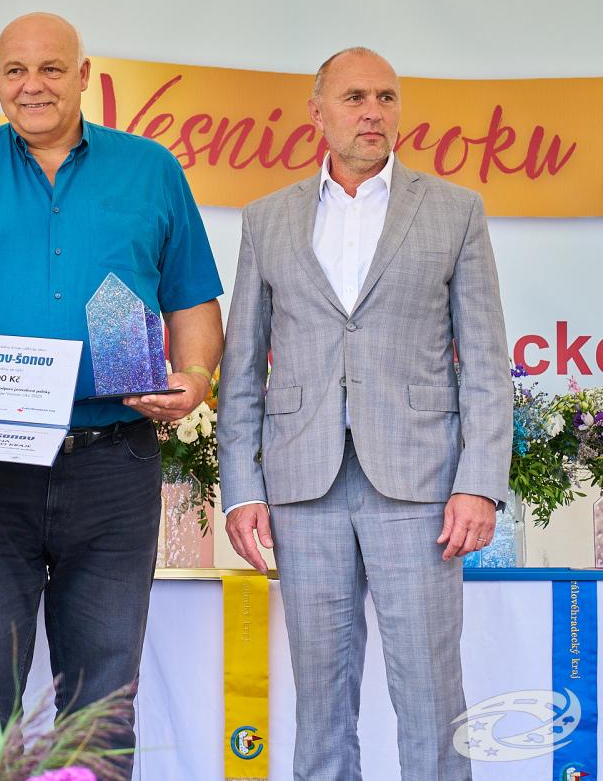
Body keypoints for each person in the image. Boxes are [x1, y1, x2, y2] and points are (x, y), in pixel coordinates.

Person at [0, 13, 223, 771]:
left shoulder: (151, 170)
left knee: (102, 703)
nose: (31, 85)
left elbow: (193, 301)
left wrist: (195, 378)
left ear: (84, 75)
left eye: (51, 68)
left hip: (113, 463)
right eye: (15, 70)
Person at [218, 47, 512, 780]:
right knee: (318, 706)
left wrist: (480, 482)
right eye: (354, 97)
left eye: (386, 97)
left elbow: (485, 360)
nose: (373, 111)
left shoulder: (455, 211)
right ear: (317, 113)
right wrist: (243, 489)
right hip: (302, 487)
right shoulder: (266, 219)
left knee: (432, 699)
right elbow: (242, 367)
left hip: (421, 488)